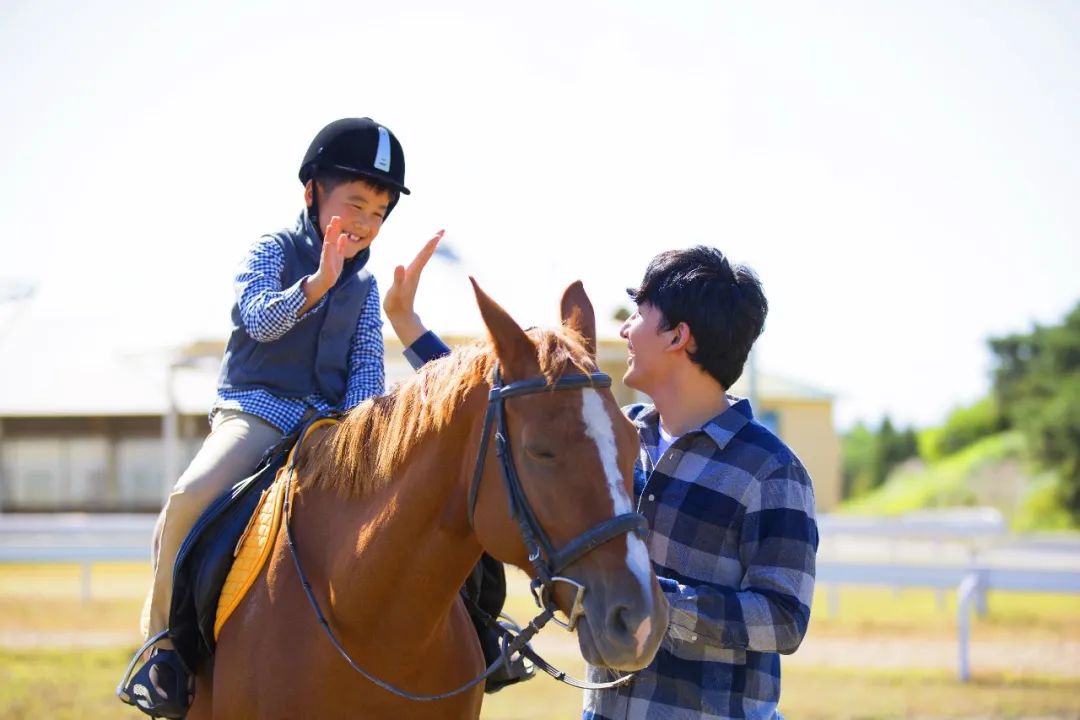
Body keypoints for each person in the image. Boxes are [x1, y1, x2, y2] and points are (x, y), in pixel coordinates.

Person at [388, 245, 819, 720]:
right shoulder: (618, 438)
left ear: (678, 336)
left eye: (638, 314)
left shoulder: (772, 469)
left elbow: (783, 618)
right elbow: (510, 407)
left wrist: (656, 603)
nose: (624, 330)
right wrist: (410, 328)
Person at [125, 117, 414, 719]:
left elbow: (365, 373)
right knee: (188, 498)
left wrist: (368, 433)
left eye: (379, 214)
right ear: (311, 193)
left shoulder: (365, 289)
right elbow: (257, 319)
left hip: (326, 432)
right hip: (256, 414)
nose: (365, 224)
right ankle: (163, 654)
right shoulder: (272, 251)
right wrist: (316, 285)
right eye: (355, 205)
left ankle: (477, 629)